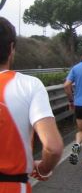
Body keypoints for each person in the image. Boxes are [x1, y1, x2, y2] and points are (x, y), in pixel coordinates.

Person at [0, 17, 63, 192]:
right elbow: (53, 147)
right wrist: (43, 168)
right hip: (11, 185)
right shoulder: (29, 85)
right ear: (11, 48)